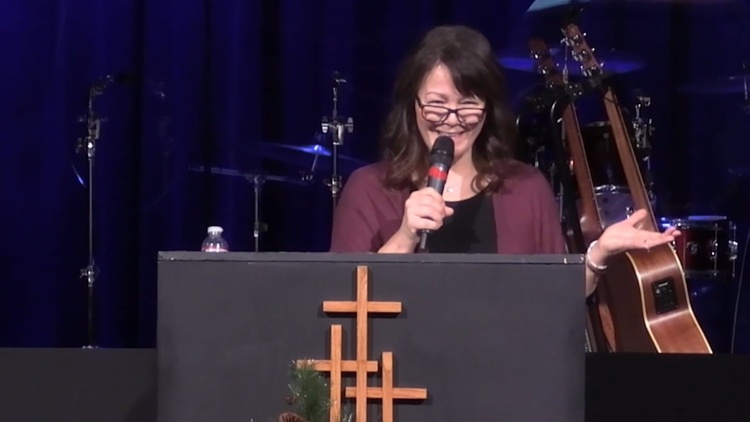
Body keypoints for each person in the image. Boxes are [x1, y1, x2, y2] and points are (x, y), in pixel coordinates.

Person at [329, 25, 680, 297]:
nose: (452, 119)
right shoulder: (368, 189)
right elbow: (342, 300)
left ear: (489, 109)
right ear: (412, 106)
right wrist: (405, 236)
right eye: (436, 104)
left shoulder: (525, 188)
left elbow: (552, 300)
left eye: (468, 104)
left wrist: (597, 255)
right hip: (399, 367)